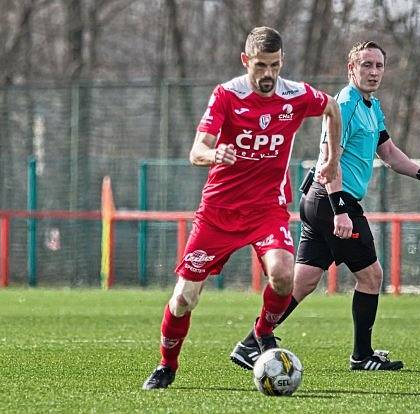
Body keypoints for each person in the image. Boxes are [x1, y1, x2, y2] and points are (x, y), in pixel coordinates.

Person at [142, 26, 342, 390]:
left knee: (283, 274)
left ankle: (261, 335)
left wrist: (332, 159)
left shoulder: (295, 95)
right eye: (261, 66)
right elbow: (196, 150)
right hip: (219, 212)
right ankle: (166, 365)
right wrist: (214, 153)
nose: (269, 75)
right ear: (245, 61)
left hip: (267, 209)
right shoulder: (226, 96)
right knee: (185, 298)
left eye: (275, 66)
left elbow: (331, 108)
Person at [230, 41, 420, 371]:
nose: (373, 72)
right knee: (372, 276)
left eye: (379, 66)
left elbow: (387, 153)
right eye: (366, 65)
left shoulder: (371, 107)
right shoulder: (344, 104)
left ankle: (250, 343)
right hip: (331, 199)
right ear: (351, 69)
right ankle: (362, 355)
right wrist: (341, 208)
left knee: (301, 283)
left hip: (321, 200)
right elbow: (332, 159)